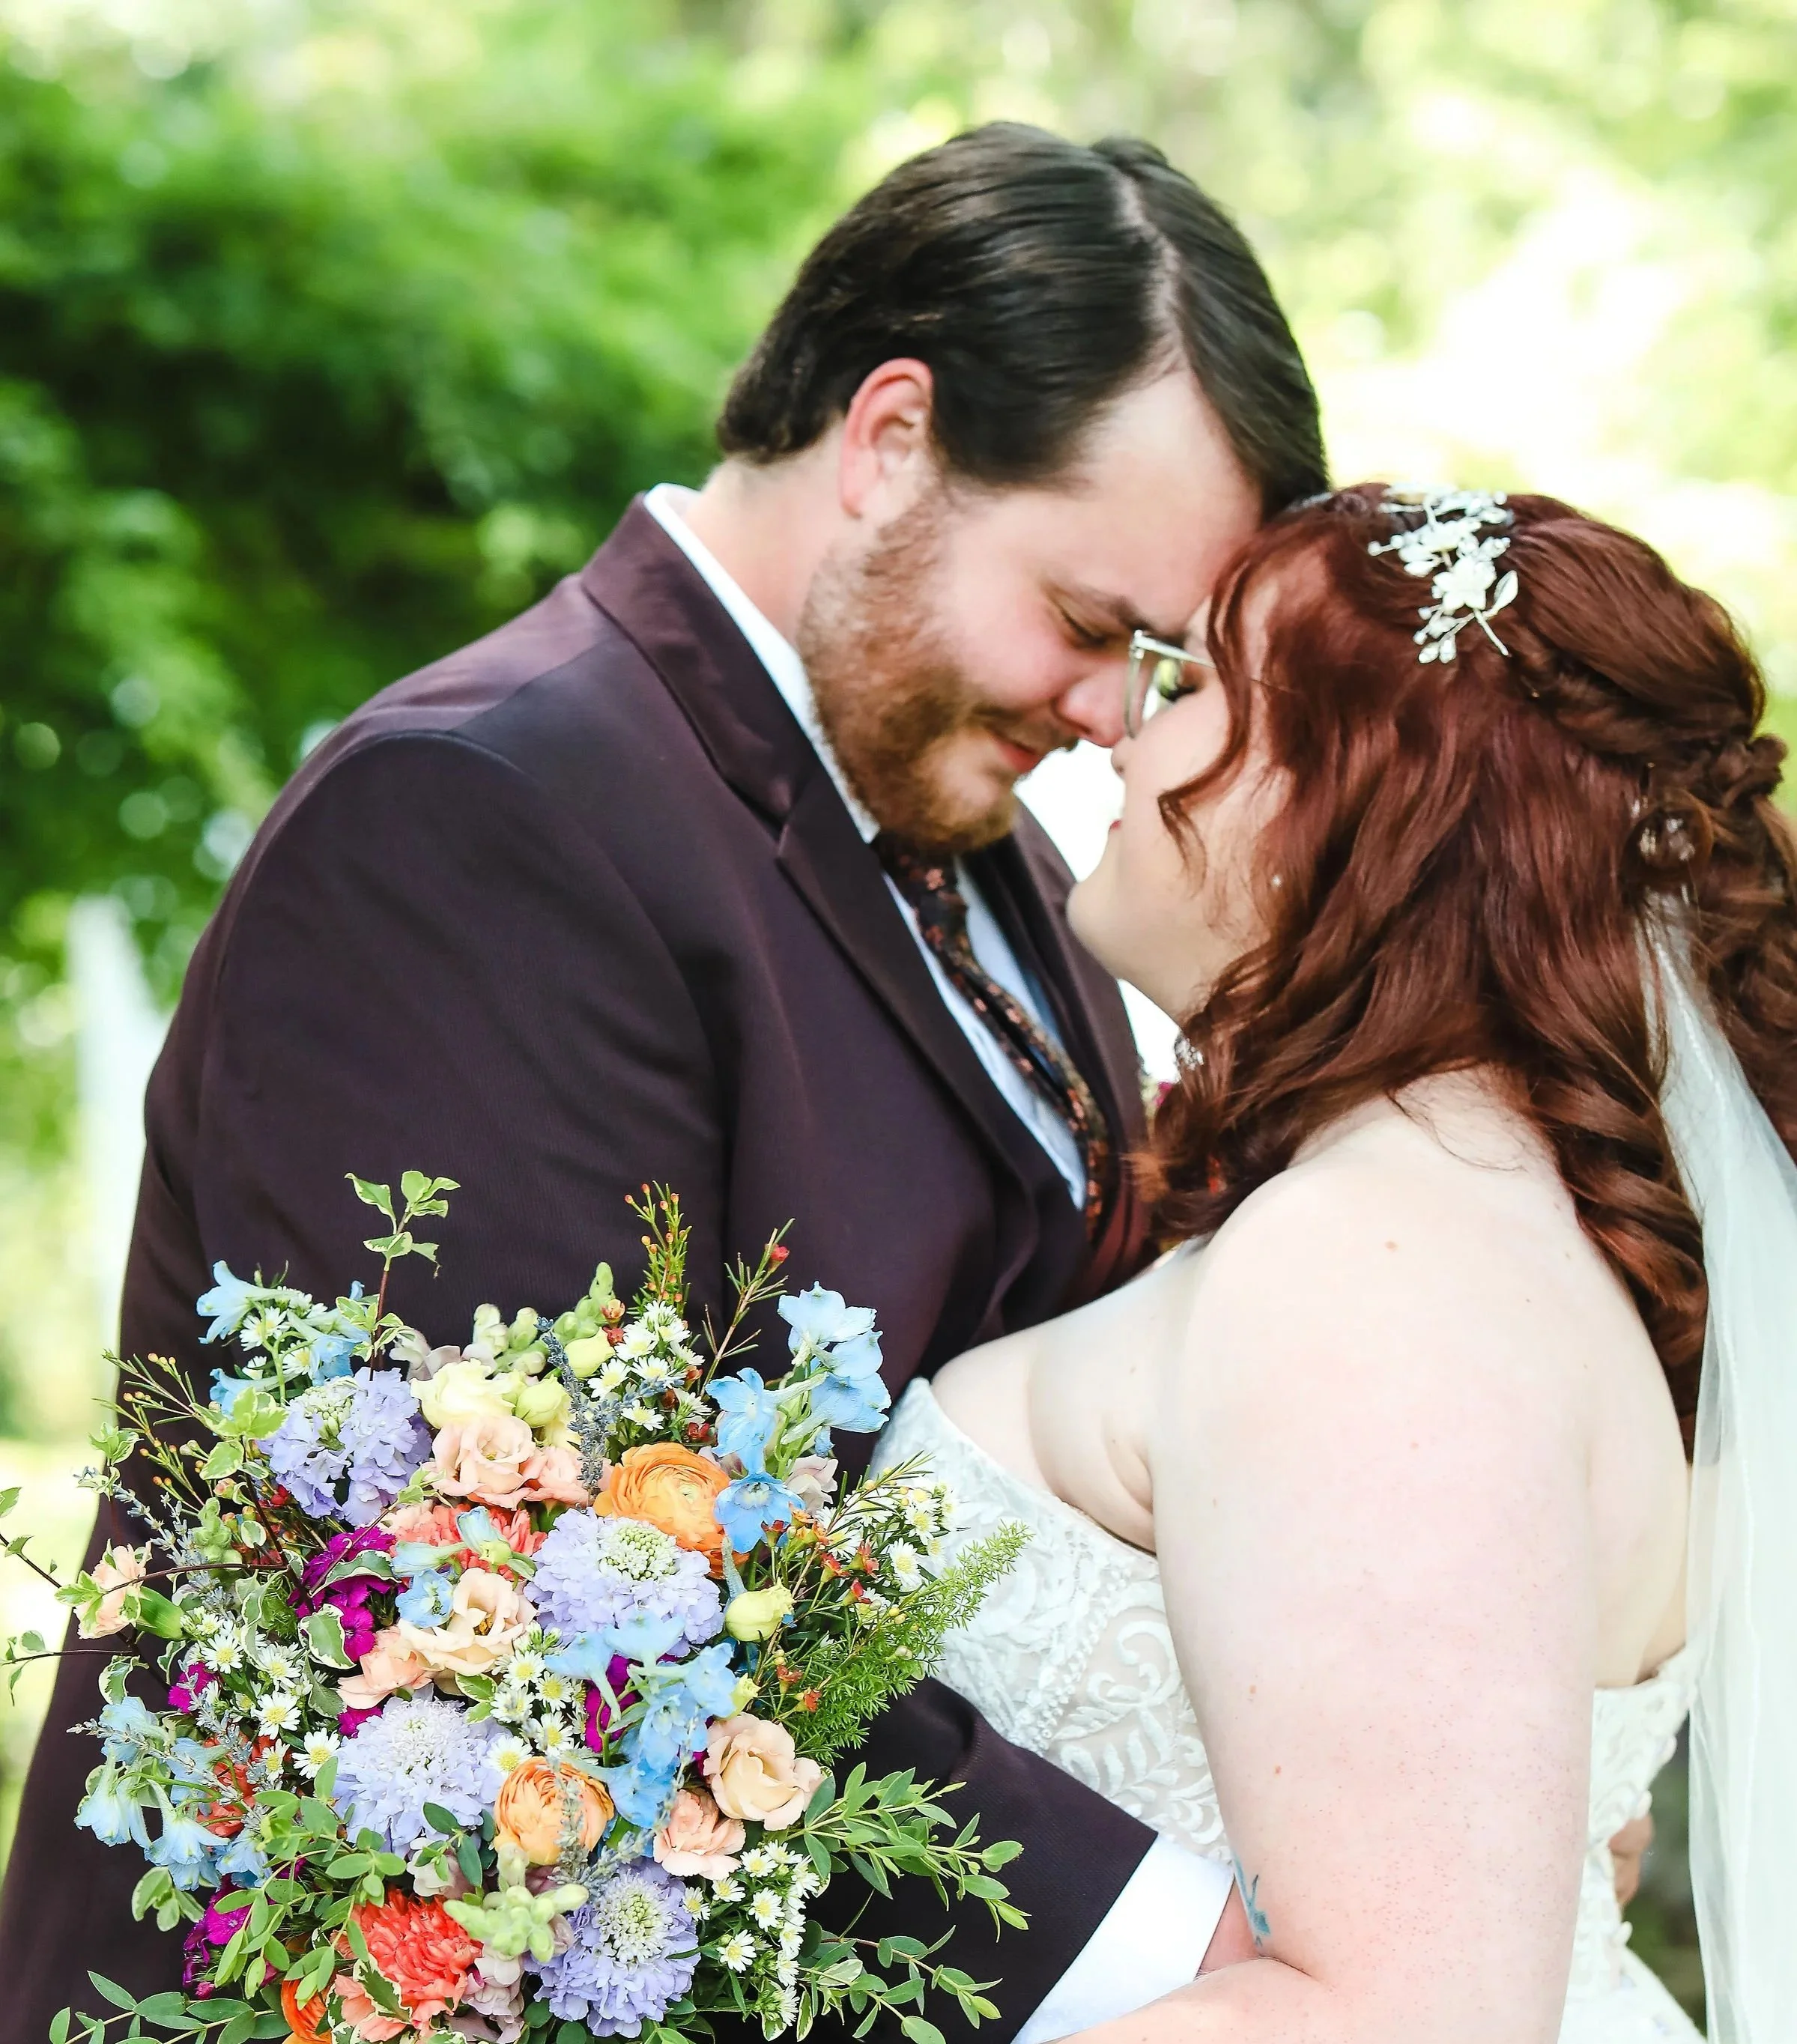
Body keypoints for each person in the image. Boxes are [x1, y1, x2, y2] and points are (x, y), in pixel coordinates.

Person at [0, 124, 1327, 2039]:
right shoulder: (484, 811)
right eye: (1086, 622)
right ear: (887, 441)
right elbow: (523, 1604)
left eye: (1156, 659)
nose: (1110, 713)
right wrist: (1197, 1949)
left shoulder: (1002, 858)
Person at [888, 483, 1797, 2040]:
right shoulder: (1475, 1220)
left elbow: (1398, 2016)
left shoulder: (1371, 1272)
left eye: (1197, 687)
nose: (1125, 725)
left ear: (1346, 803)